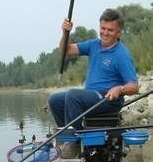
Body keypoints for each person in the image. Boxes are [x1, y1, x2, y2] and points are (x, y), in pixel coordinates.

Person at [49, 9, 139, 146]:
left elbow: (134, 86)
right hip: (91, 96)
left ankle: (74, 142)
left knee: (73, 96)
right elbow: (66, 50)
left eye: (110, 30)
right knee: (55, 99)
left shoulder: (122, 54)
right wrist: (65, 33)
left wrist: (120, 89)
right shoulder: (94, 45)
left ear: (119, 32)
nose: (105, 33)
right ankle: (66, 136)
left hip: (109, 99)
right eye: (103, 28)